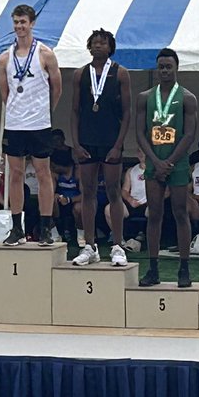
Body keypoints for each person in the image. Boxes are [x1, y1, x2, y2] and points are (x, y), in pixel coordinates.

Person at [0, 4, 61, 245]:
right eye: (16, 22)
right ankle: (17, 228)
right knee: (15, 174)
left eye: (23, 22)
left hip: (39, 124)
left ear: (32, 23)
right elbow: (4, 93)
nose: (19, 27)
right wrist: (18, 111)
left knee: (44, 173)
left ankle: (45, 226)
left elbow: (57, 87)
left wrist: (45, 112)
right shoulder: (5, 57)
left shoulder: (45, 54)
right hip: (15, 124)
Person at [134, 48, 198, 287]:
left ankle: (184, 268)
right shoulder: (145, 97)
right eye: (161, 66)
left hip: (177, 163)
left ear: (177, 68)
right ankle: (153, 268)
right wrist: (156, 161)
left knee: (181, 213)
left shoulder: (187, 97)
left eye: (168, 66)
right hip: (154, 161)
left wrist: (169, 161)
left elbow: (190, 134)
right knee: (154, 214)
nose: (164, 71)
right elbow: (140, 133)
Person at [71, 28, 133, 266]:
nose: (98, 46)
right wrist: (75, 143)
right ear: (89, 47)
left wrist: (119, 145)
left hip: (110, 141)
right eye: (94, 42)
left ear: (110, 48)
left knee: (113, 191)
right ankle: (89, 245)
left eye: (102, 43)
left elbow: (127, 112)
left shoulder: (120, 74)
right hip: (86, 140)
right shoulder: (80, 74)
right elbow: (75, 111)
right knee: (87, 193)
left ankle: (118, 245)